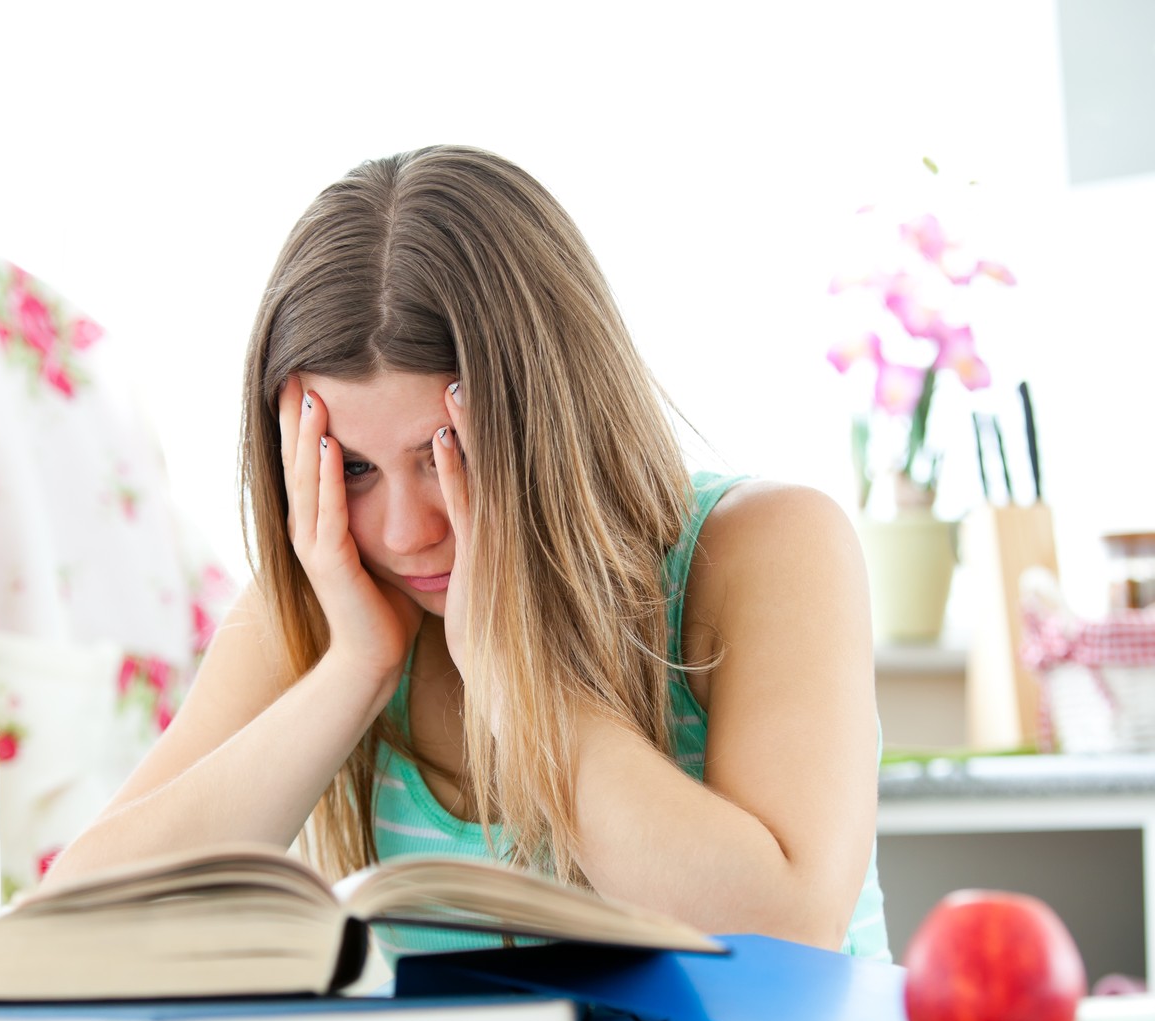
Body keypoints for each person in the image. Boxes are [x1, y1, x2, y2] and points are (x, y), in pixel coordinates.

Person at [44, 144, 889, 962]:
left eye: (447, 454)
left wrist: (511, 669)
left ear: (553, 424)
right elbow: (72, 925)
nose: (408, 531)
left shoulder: (764, 547)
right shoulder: (335, 600)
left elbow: (787, 927)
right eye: (359, 468)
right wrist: (356, 668)